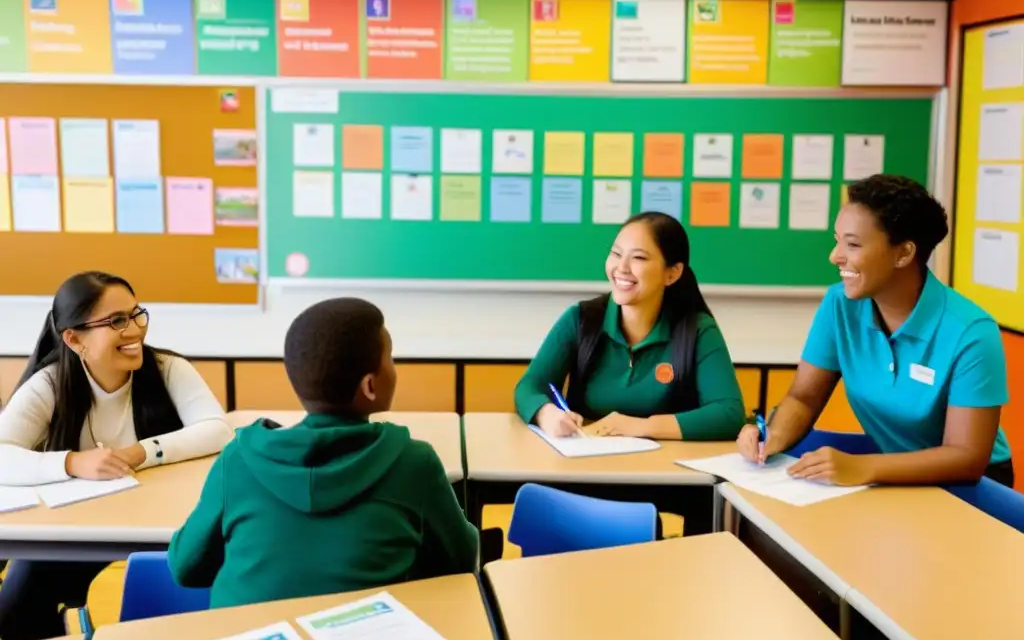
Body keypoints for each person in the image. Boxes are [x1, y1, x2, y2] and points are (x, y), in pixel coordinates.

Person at [168, 297, 479, 609]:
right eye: (391, 359)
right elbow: (460, 561)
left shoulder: (238, 459)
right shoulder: (414, 463)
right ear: (369, 385)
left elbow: (185, 568)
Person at [0, 271, 233, 640]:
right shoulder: (51, 383)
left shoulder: (166, 368)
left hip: (167, 524)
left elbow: (218, 429)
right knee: (15, 610)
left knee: (186, 597)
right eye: (117, 321)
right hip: (77, 529)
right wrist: (72, 462)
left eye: (137, 313)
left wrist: (142, 452)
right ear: (75, 339)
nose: (135, 330)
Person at [737, 174, 1014, 488]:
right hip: (892, 470)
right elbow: (802, 398)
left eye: (852, 244)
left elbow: (965, 457)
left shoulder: (972, 333)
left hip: (971, 486)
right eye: (836, 239)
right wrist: (770, 438)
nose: (834, 256)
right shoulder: (839, 304)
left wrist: (863, 468)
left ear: (904, 253)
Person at [515, 211, 747, 441]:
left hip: (667, 471)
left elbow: (729, 414)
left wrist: (641, 427)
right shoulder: (582, 319)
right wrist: (546, 413)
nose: (621, 267)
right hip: (587, 462)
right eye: (616, 254)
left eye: (639, 258)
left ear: (672, 274)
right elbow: (529, 386)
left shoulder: (697, 330)